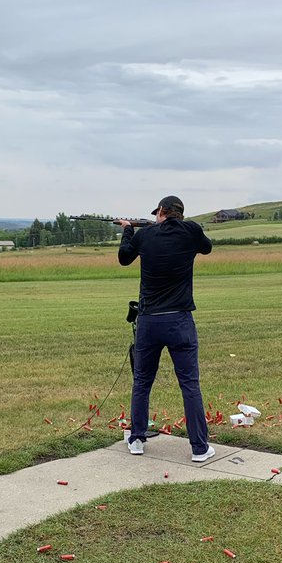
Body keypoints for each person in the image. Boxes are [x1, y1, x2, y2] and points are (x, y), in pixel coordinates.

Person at [117, 194, 215, 462]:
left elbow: (124, 258)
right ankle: (199, 447)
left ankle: (137, 438)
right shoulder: (191, 231)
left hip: (149, 320)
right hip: (180, 319)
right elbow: (206, 248)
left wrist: (128, 231)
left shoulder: (146, 236)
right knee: (189, 384)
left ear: (161, 211)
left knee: (142, 381)